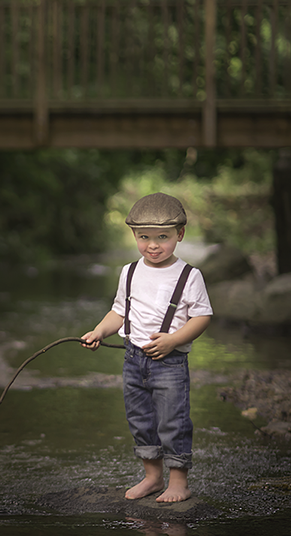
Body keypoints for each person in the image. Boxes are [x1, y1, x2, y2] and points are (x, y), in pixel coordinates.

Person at [82, 193, 212, 503]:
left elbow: (203, 316)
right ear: (134, 235)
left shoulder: (189, 276)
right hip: (133, 359)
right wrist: (100, 330)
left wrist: (174, 339)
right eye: (144, 237)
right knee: (140, 419)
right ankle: (153, 477)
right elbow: (119, 311)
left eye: (162, 237)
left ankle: (178, 482)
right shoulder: (129, 272)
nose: (153, 245)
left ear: (179, 235)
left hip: (170, 362)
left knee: (173, 419)